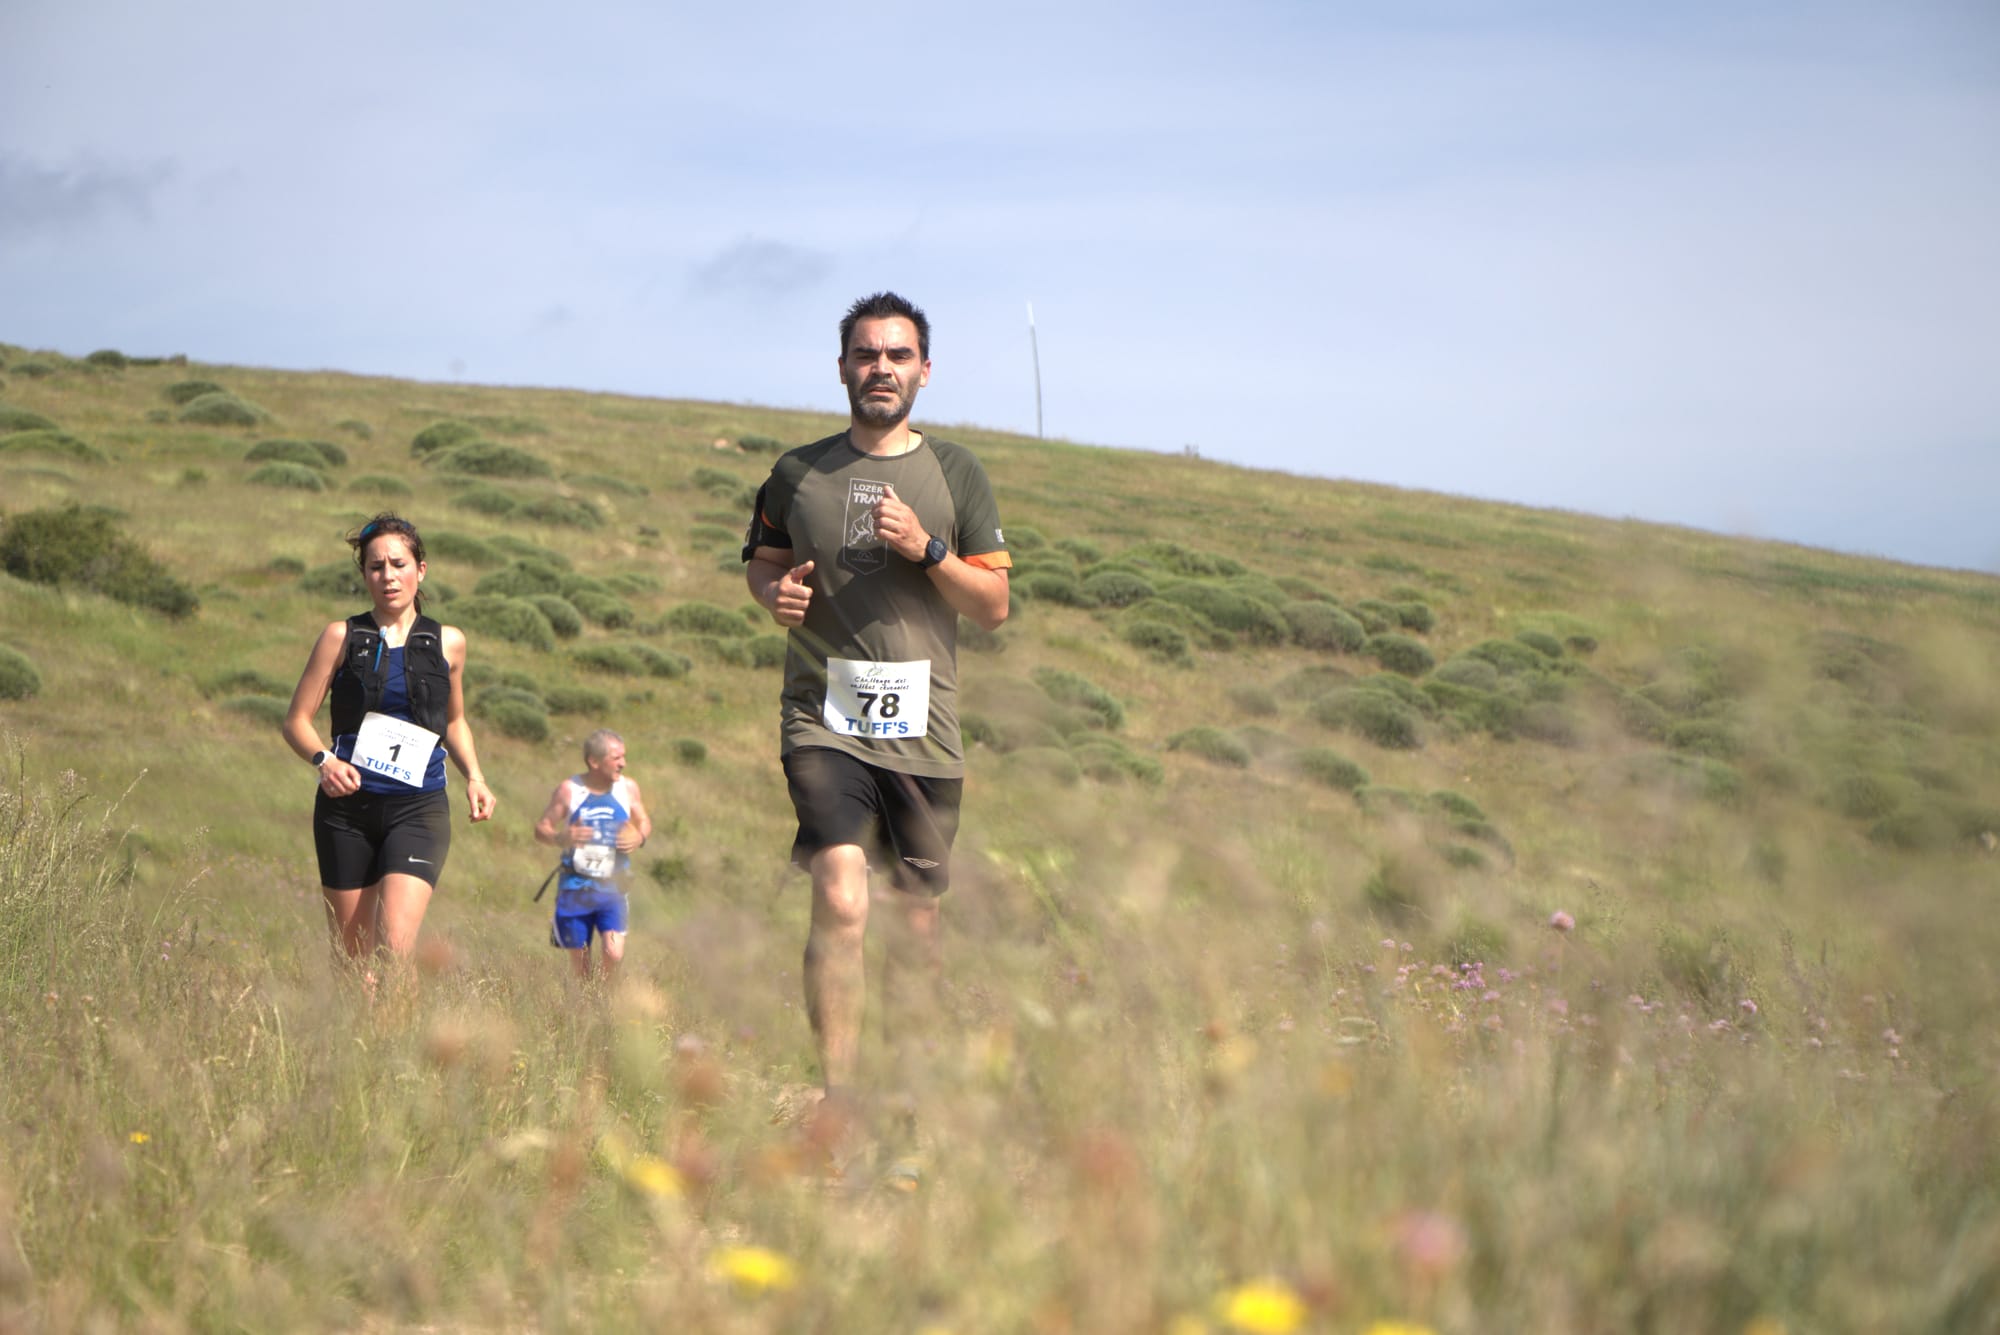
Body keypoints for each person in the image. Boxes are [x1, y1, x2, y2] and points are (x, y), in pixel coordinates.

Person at [743, 291, 1011, 1106]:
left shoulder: (956, 472)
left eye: (898, 355)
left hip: (925, 735)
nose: (881, 369)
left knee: (915, 926)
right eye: (866, 354)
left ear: (925, 371)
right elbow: (763, 562)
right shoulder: (797, 471)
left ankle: (908, 1094)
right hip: (823, 721)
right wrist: (773, 594)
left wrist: (926, 549)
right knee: (841, 893)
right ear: (842, 368)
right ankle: (840, 1096)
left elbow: (993, 605)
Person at [283, 514, 495, 976]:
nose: (387, 576)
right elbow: (297, 721)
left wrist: (474, 777)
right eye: (376, 567)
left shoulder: (448, 642)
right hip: (347, 810)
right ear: (364, 575)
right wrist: (324, 761)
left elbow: (454, 721)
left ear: (421, 569)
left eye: (398, 564)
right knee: (353, 960)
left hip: (418, 808)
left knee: (395, 947)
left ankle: (402, 1041)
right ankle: (362, 1046)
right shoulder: (341, 636)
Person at [532, 728, 652, 980]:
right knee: (581, 964)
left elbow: (643, 820)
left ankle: (607, 999)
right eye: (616, 758)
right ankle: (587, 1009)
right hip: (575, 887)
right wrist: (560, 838)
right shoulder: (570, 790)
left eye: (624, 757)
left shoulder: (628, 788)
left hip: (614, 886)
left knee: (613, 952)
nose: (623, 763)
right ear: (594, 761)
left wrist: (639, 837)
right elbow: (542, 828)